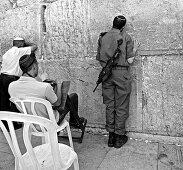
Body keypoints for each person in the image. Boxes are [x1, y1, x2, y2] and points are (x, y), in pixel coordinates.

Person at [8, 53, 86, 129]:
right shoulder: (45, 87)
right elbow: (57, 103)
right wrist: (58, 85)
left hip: (32, 123)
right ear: (34, 66)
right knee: (72, 97)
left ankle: (75, 122)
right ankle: (75, 122)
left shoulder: (11, 87)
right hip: (49, 122)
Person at [96, 15, 139, 148]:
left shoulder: (102, 37)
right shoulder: (126, 37)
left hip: (107, 74)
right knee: (121, 105)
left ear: (112, 24)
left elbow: (99, 58)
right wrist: (135, 50)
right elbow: (130, 60)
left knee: (110, 105)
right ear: (123, 26)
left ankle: (110, 137)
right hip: (121, 74)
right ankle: (119, 137)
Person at [0, 37, 37, 129]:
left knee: (4, 101)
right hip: (11, 79)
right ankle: (14, 124)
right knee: (15, 101)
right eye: (22, 43)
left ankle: (4, 125)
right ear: (20, 43)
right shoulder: (19, 51)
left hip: (2, 77)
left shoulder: (6, 53)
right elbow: (34, 47)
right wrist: (27, 42)